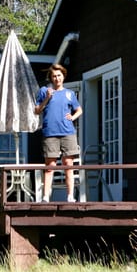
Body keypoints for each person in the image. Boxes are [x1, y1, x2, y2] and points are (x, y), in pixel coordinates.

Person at [34, 63, 82, 202]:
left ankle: (70, 196)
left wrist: (72, 117)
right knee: (50, 166)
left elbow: (79, 110)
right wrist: (47, 98)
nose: (57, 78)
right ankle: (45, 197)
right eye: (54, 76)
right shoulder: (44, 91)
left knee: (68, 164)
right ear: (51, 78)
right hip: (50, 133)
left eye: (59, 76)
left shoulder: (69, 93)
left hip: (68, 132)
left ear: (63, 76)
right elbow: (37, 110)